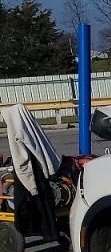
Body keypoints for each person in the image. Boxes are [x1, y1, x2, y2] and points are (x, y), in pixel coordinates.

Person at [1, 103, 66, 244]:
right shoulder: (29, 125)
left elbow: (21, 159)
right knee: (44, 204)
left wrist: (30, 185)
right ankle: (52, 231)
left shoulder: (15, 127)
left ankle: (33, 230)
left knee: (23, 204)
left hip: (30, 173)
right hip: (40, 169)